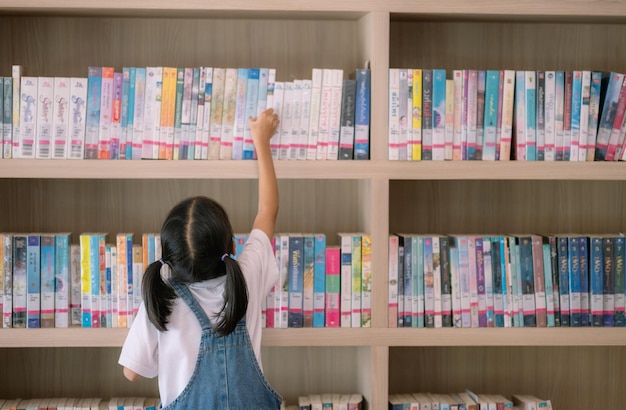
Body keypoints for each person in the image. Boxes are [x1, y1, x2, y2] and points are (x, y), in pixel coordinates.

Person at [118, 108, 282, 410]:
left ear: (167, 259)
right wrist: (262, 141)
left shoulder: (161, 295)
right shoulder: (247, 276)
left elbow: (131, 372)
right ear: (231, 244)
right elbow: (267, 210)